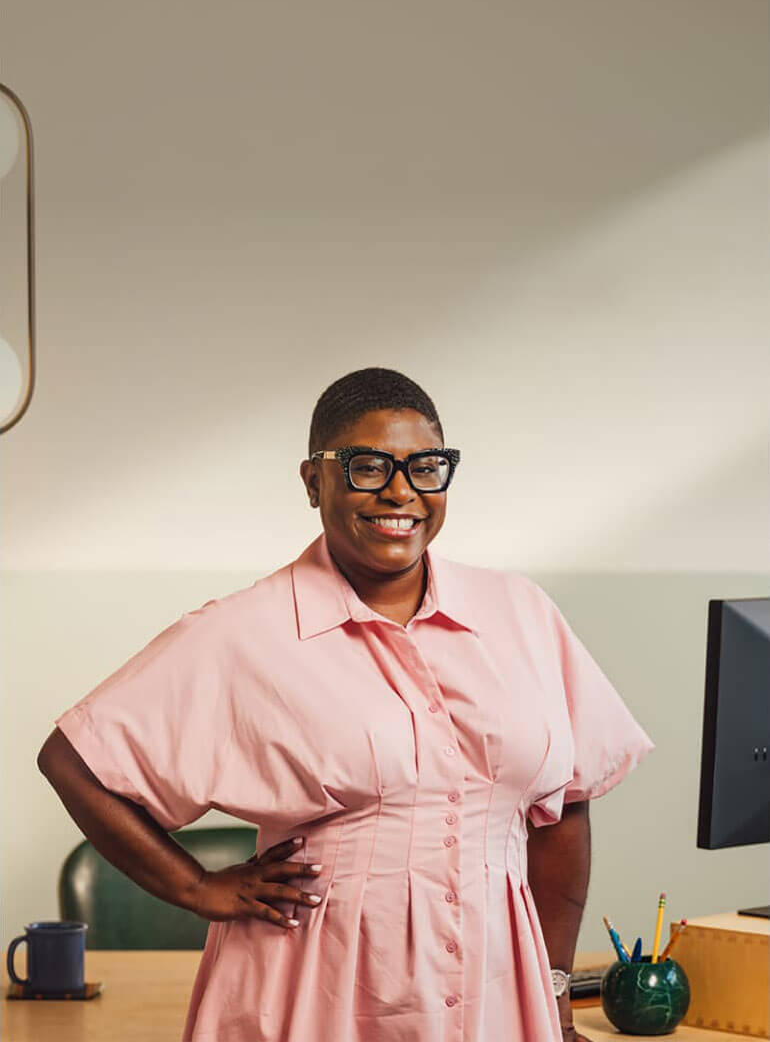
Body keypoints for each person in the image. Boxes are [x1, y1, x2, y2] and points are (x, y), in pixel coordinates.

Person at [37, 366, 655, 1042]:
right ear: (313, 481)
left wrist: (555, 983)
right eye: (367, 467)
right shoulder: (246, 632)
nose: (401, 492)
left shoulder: (521, 613)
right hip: (314, 991)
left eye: (425, 467)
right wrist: (197, 888)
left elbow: (565, 806)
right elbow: (76, 761)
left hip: (496, 995)